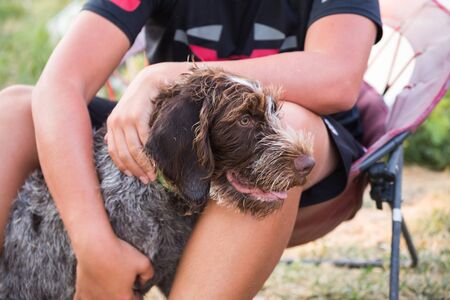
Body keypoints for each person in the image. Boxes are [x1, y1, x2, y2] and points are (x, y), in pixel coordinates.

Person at [0, 0, 382, 298]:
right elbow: (61, 82)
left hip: (308, 156)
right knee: (13, 110)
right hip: (186, 144)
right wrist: (95, 246)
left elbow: (338, 77)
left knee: (288, 123)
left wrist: (169, 74)